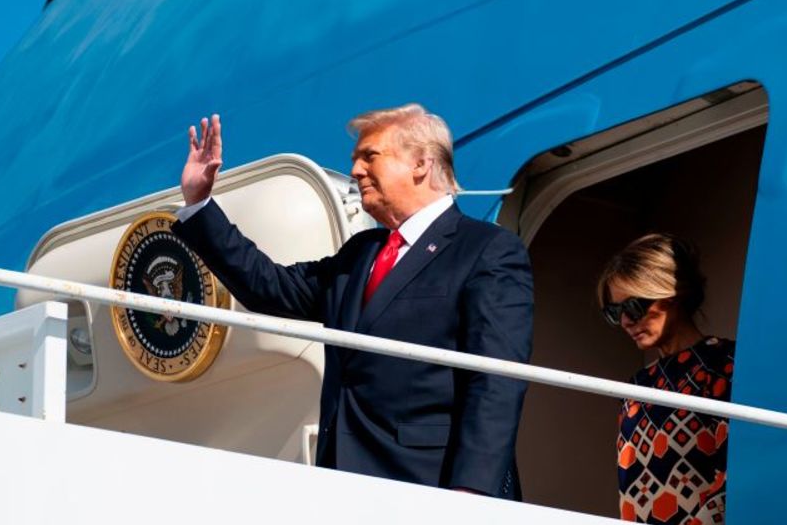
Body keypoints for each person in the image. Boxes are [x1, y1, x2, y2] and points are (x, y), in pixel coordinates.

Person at [172, 104, 534, 498]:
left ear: (420, 164)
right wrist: (200, 204)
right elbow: (268, 286)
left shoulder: (487, 250)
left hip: (433, 484)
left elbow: (496, 379)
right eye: (355, 160)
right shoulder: (360, 254)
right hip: (345, 483)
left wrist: (473, 491)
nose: (357, 170)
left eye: (370, 156)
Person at [597, 233, 735, 525]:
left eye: (633, 307)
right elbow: (630, 492)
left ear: (671, 293)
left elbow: (735, 477)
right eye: (614, 312)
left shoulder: (725, 365)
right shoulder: (635, 388)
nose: (626, 322)